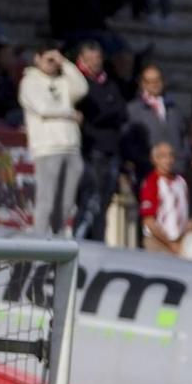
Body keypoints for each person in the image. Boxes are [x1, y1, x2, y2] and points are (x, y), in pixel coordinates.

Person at [19, 46, 86, 236]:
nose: (53, 64)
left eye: (56, 60)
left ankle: (57, 241)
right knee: (46, 199)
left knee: (66, 202)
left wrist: (65, 63)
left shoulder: (64, 81)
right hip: (47, 147)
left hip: (71, 146)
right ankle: (39, 241)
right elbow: (42, 108)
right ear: (37, 59)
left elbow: (82, 88)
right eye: (49, 59)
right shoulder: (29, 82)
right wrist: (71, 114)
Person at [71, 40, 125, 240]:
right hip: (92, 151)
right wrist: (105, 111)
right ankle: (80, 242)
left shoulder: (109, 82)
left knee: (104, 201)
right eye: (91, 59)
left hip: (111, 150)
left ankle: (98, 242)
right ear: (82, 60)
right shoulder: (79, 83)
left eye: (99, 58)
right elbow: (96, 112)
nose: (96, 62)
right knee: (89, 200)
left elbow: (121, 111)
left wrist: (103, 111)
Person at [122, 62, 184, 182]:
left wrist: (182, 159)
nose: (154, 85)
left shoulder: (174, 109)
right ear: (142, 84)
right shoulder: (133, 109)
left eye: (157, 80)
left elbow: (183, 137)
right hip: (147, 171)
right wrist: (146, 161)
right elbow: (128, 141)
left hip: (175, 170)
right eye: (149, 81)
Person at [136, 139, 192, 253]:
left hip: (180, 241)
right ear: (155, 159)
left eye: (171, 155)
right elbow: (148, 220)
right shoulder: (151, 182)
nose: (168, 160)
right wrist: (170, 243)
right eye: (163, 156)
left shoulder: (181, 181)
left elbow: (186, 212)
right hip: (158, 241)